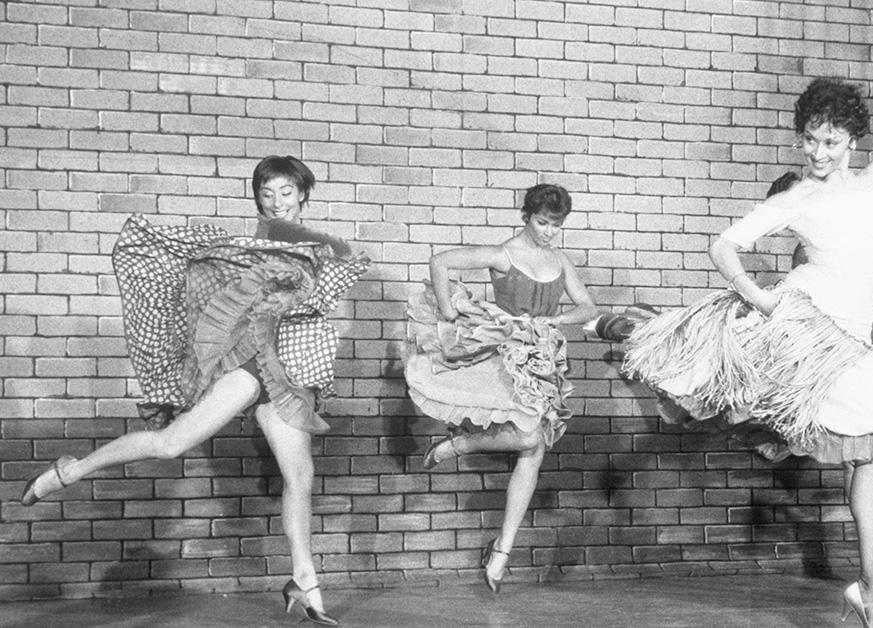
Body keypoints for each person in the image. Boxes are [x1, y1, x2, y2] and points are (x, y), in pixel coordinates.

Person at [624, 29, 873, 628]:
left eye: (831, 141)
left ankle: (870, 595)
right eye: (810, 140)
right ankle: (622, 327)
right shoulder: (795, 197)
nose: (818, 152)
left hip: (848, 345)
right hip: (802, 328)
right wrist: (760, 302)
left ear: (852, 139)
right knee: (713, 388)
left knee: (872, 455)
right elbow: (724, 246)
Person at [20, 156, 368, 626]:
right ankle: (70, 471)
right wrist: (328, 257)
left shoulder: (301, 247)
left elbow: (329, 270)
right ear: (259, 201)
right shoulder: (272, 240)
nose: (277, 203)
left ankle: (304, 581)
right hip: (255, 364)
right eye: (267, 195)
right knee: (170, 445)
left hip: (291, 377)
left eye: (286, 192)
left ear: (303, 193)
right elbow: (334, 251)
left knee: (300, 478)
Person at [404, 183, 599, 593]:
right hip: (505, 359)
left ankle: (502, 550)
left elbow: (586, 307)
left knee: (534, 447)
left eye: (556, 225)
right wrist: (447, 313)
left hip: (543, 358)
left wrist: (555, 322)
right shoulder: (503, 254)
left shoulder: (559, 259)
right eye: (543, 223)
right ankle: (458, 446)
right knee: (529, 435)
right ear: (526, 216)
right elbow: (440, 262)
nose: (548, 232)